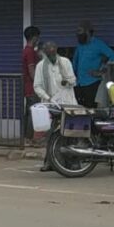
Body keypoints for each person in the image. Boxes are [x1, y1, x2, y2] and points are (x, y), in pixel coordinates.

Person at [33, 42, 77, 173]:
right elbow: (37, 86)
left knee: (71, 132)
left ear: (56, 51)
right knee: (52, 133)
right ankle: (49, 162)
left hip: (68, 101)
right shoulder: (41, 66)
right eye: (49, 54)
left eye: (53, 53)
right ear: (45, 53)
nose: (52, 57)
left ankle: (72, 162)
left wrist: (67, 81)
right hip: (51, 103)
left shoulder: (65, 62)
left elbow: (73, 80)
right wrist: (47, 97)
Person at [71, 21, 114, 108]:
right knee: (79, 108)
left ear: (88, 32)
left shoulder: (98, 44)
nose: (77, 34)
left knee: (91, 108)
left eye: (80, 31)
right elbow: (75, 61)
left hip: (92, 82)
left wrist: (102, 70)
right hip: (79, 82)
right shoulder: (80, 45)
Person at [22, 26, 42, 107]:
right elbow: (32, 71)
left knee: (30, 112)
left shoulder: (26, 50)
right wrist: (39, 85)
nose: (38, 40)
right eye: (38, 37)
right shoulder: (30, 52)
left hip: (29, 89)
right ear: (34, 38)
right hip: (32, 90)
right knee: (34, 115)